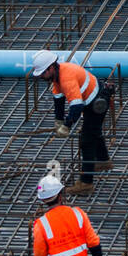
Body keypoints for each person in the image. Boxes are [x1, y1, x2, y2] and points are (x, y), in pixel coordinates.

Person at [31, 50, 111, 195]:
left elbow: (77, 105)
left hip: (97, 101)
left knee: (87, 140)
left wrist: (67, 125)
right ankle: (103, 161)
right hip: (91, 100)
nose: (42, 76)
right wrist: (58, 120)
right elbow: (59, 100)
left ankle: (86, 184)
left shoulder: (66, 78)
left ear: (51, 67)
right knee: (94, 132)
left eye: (43, 73)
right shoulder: (57, 77)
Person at [32, 175, 103, 256]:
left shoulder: (41, 225)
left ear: (43, 200)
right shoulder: (78, 214)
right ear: (60, 196)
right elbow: (94, 243)